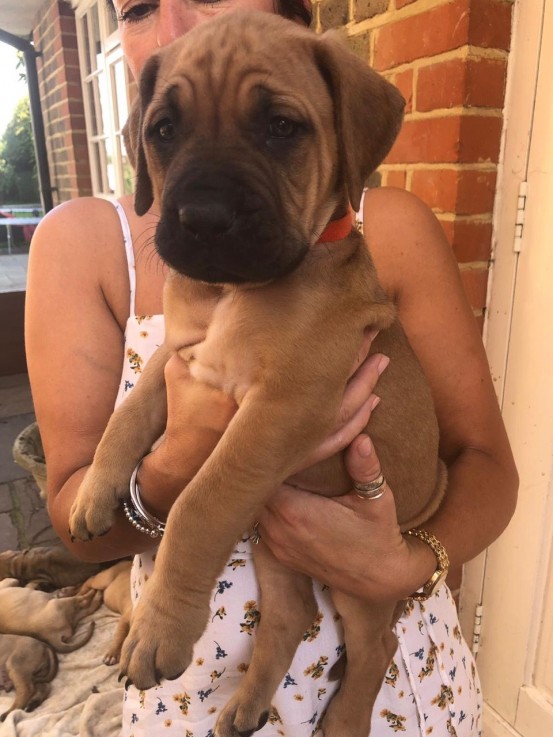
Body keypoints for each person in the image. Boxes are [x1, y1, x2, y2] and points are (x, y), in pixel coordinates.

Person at [25, 1, 518, 735]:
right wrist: (169, 456)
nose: (176, 24)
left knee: (358, 629)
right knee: (278, 595)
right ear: (142, 143)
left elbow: (487, 466)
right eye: (136, 6)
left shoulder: (386, 239)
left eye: (278, 128)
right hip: (194, 684)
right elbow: (83, 517)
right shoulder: (79, 247)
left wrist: (408, 563)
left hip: (404, 673)